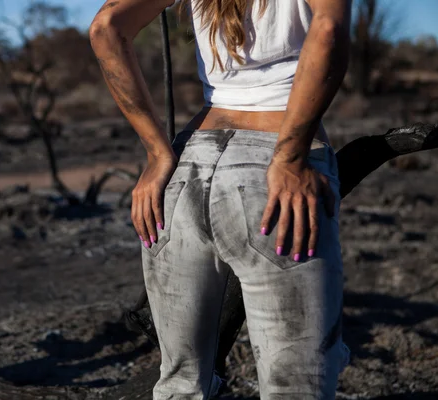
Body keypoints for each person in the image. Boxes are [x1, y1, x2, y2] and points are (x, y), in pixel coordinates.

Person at [90, 0, 352, 398]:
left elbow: (106, 26)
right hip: (271, 172)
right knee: (297, 387)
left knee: (180, 386)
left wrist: (158, 153)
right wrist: (291, 155)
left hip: (186, 172)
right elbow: (329, 30)